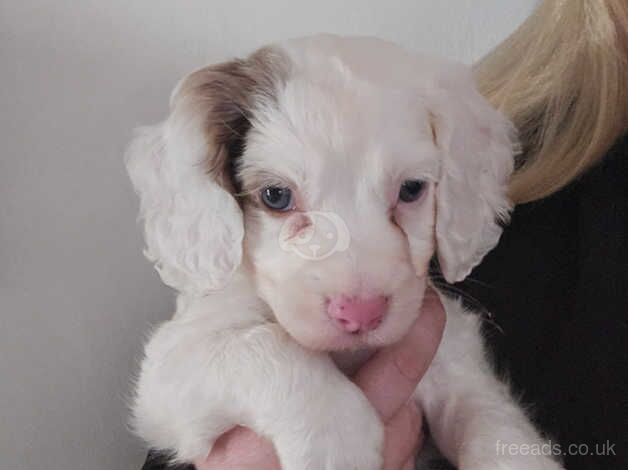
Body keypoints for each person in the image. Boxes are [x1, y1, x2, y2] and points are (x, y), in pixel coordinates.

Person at [142, 1, 627, 469]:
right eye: (277, 198)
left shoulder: (439, 317)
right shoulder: (227, 312)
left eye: (411, 191)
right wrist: (302, 401)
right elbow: (166, 395)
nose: (359, 298)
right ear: (220, 186)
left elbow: (468, 404)